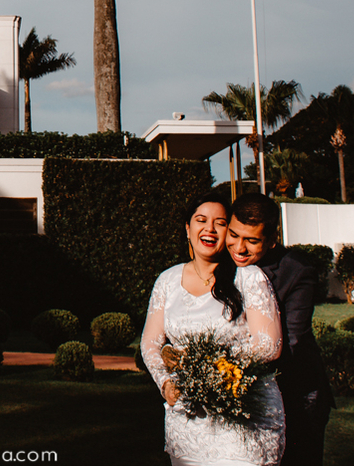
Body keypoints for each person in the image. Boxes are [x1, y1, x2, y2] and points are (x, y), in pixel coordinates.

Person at [141, 191, 285, 465]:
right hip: (187, 422)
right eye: (200, 220)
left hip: (245, 420)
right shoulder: (167, 280)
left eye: (219, 222)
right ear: (188, 228)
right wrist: (165, 382)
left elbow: (270, 345)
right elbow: (150, 343)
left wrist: (209, 368)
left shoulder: (248, 276)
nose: (209, 228)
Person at [228, 192, 335, 466]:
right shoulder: (221, 264)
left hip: (297, 392)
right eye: (234, 235)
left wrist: (234, 372)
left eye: (252, 241)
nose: (239, 248)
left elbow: (294, 339)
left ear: (272, 239)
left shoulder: (297, 270)